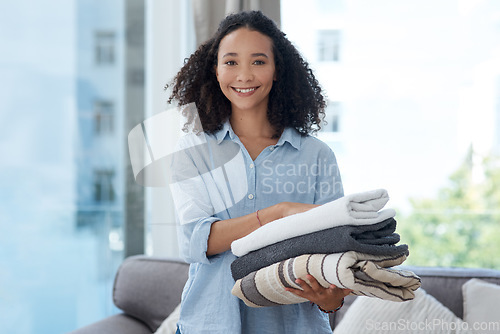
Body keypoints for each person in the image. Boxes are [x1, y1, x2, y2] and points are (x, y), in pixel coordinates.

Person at [167, 10, 350, 333]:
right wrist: (278, 214)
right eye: (231, 62)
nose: (244, 75)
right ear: (216, 70)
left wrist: (330, 298)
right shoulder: (192, 151)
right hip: (211, 324)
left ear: (277, 70)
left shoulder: (317, 156)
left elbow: (333, 261)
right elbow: (197, 241)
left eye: (258, 61)